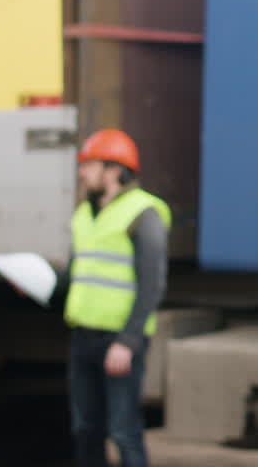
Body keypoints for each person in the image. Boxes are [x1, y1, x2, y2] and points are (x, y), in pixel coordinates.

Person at [58, 128, 170, 467]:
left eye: (89, 165)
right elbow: (78, 275)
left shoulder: (143, 214)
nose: (82, 173)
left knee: (124, 432)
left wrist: (128, 341)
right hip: (83, 337)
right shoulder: (84, 214)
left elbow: (152, 285)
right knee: (85, 429)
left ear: (114, 170)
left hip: (118, 342)